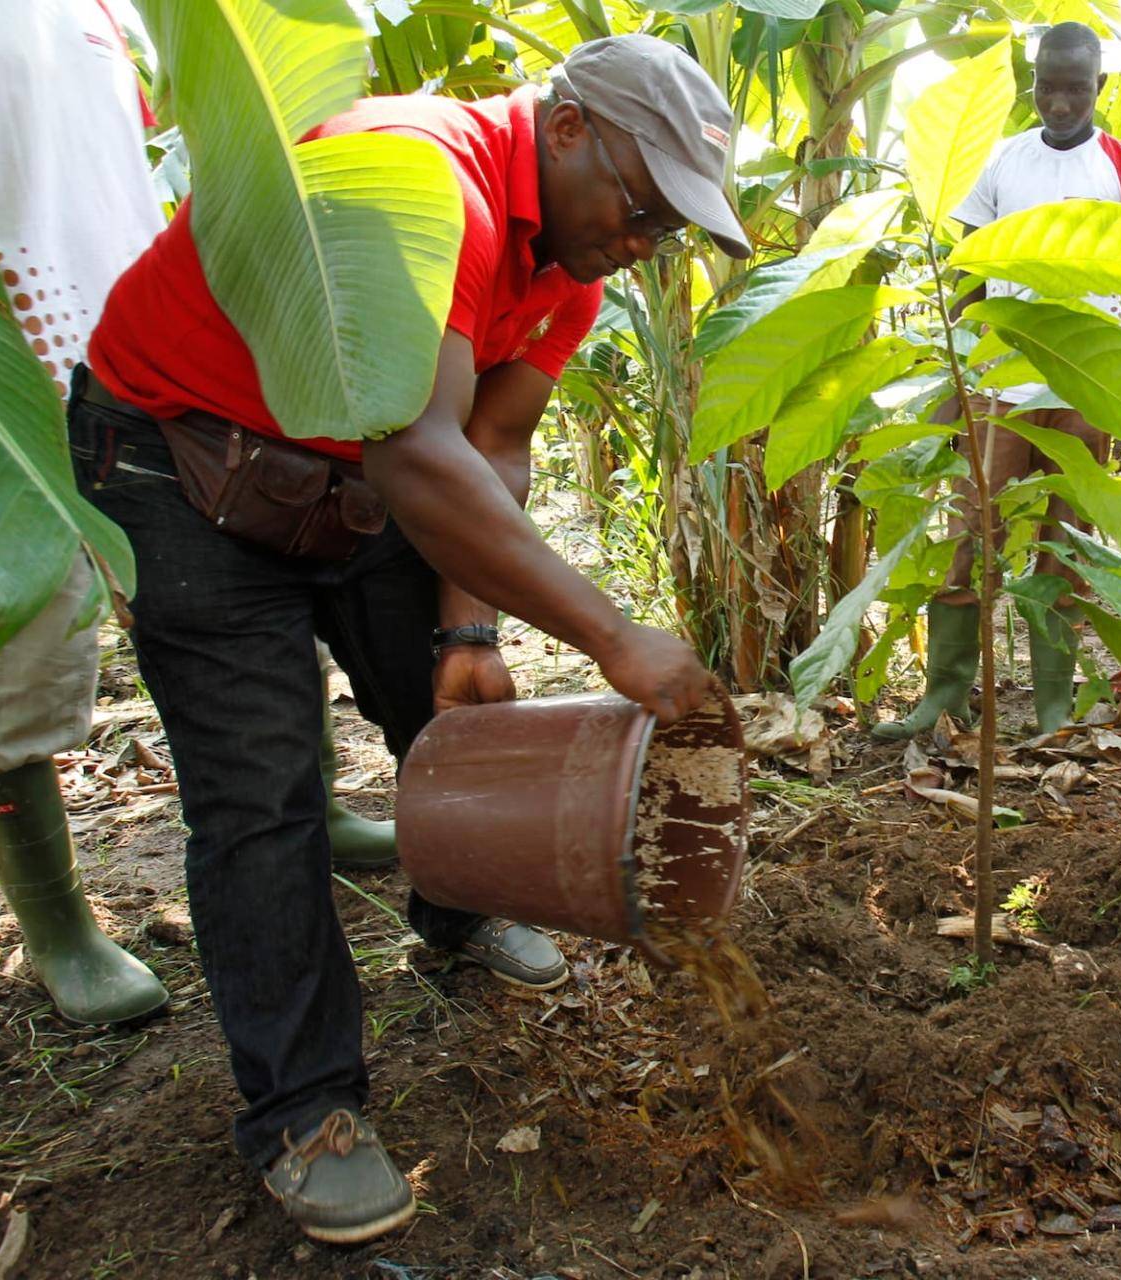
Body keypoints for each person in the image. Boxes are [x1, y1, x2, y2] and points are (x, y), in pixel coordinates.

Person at [73, 36, 745, 1243]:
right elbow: (417, 451)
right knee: (264, 793)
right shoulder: (418, 175)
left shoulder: (570, 268)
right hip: (185, 462)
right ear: (573, 125)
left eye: (670, 228)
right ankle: (303, 1110)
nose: (642, 240)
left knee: (441, 703)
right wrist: (611, 636)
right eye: (641, 205)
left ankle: (458, 898)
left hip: (356, 468)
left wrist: (471, 624)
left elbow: (487, 444)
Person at [873, 21, 1121, 739]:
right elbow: (971, 277)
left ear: (1099, 88)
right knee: (968, 538)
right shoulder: (1000, 162)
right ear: (1032, 83)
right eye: (1048, 86)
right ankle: (945, 696)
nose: (1061, 103)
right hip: (998, 381)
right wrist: (954, 379)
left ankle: (1049, 705)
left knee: (1063, 545)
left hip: (1085, 385)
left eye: (1076, 88)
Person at [0, 0, 170, 1028]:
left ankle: (309, 791)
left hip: (135, 348)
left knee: (209, 582)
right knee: (14, 647)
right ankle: (57, 927)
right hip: (1, 371)